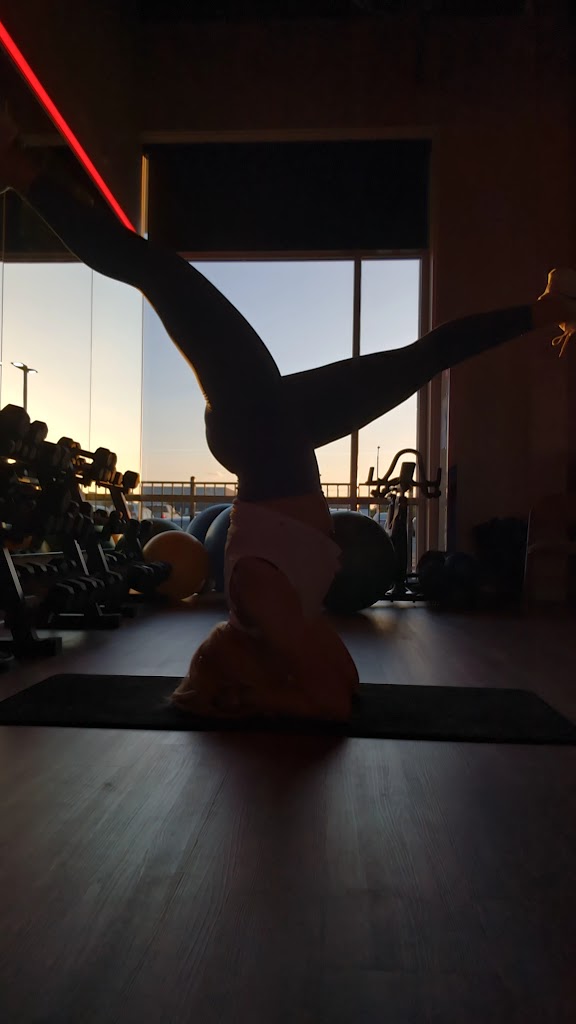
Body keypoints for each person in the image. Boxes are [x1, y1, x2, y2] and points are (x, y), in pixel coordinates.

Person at [1, 118, 575, 721]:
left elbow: (331, 701)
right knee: (418, 360)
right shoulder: (276, 620)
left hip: (260, 435)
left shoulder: (257, 603)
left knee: (162, 276)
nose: (208, 647)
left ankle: (19, 171)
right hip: (275, 434)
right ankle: (548, 311)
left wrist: (252, 699)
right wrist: (260, 696)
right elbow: (342, 685)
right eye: (213, 660)